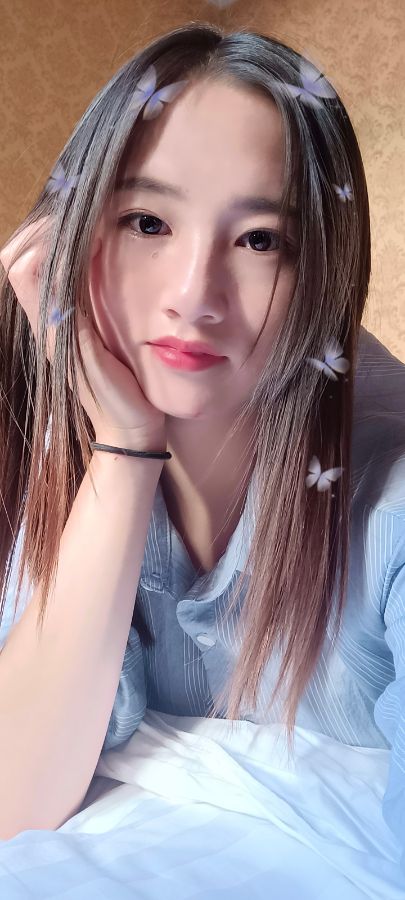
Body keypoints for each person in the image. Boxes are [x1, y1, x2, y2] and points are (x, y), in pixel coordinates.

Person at [0, 21, 404, 876]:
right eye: (146, 221)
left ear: (321, 271)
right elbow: (12, 800)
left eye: (259, 240)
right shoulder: (71, 448)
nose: (193, 296)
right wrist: (125, 448)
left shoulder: (390, 494)